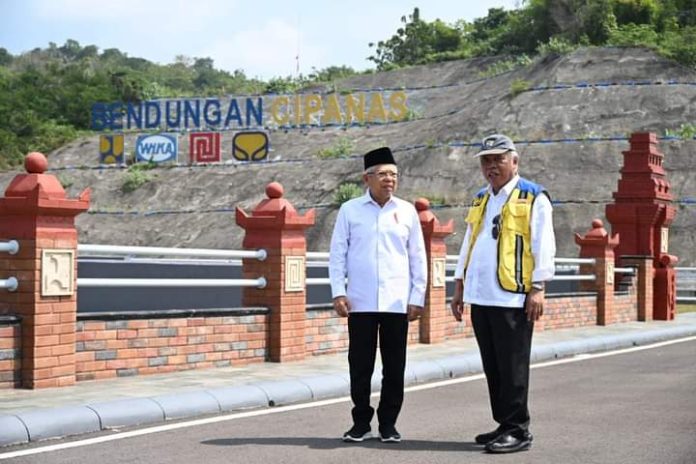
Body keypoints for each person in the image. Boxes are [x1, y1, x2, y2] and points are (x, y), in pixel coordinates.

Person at [450, 134, 556, 454]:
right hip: (481, 295)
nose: (491, 166)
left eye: (498, 159)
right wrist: (459, 285)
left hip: (512, 296)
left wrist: (538, 288)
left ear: (514, 161)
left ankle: (518, 429)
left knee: (513, 366)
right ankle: (504, 423)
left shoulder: (533, 196)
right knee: (493, 365)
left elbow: (543, 244)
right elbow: (469, 242)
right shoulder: (482, 197)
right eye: (486, 160)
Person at [329, 146, 427, 444]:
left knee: (394, 367)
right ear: (366, 178)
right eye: (383, 174)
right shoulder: (350, 210)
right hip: (360, 302)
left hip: (397, 302)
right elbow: (337, 255)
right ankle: (360, 422)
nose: (389, 180)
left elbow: (418, 257)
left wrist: (417, 296)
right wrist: (338, 292)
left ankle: (388, 424)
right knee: (360, 365)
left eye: (394, 175)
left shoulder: (407, 211)